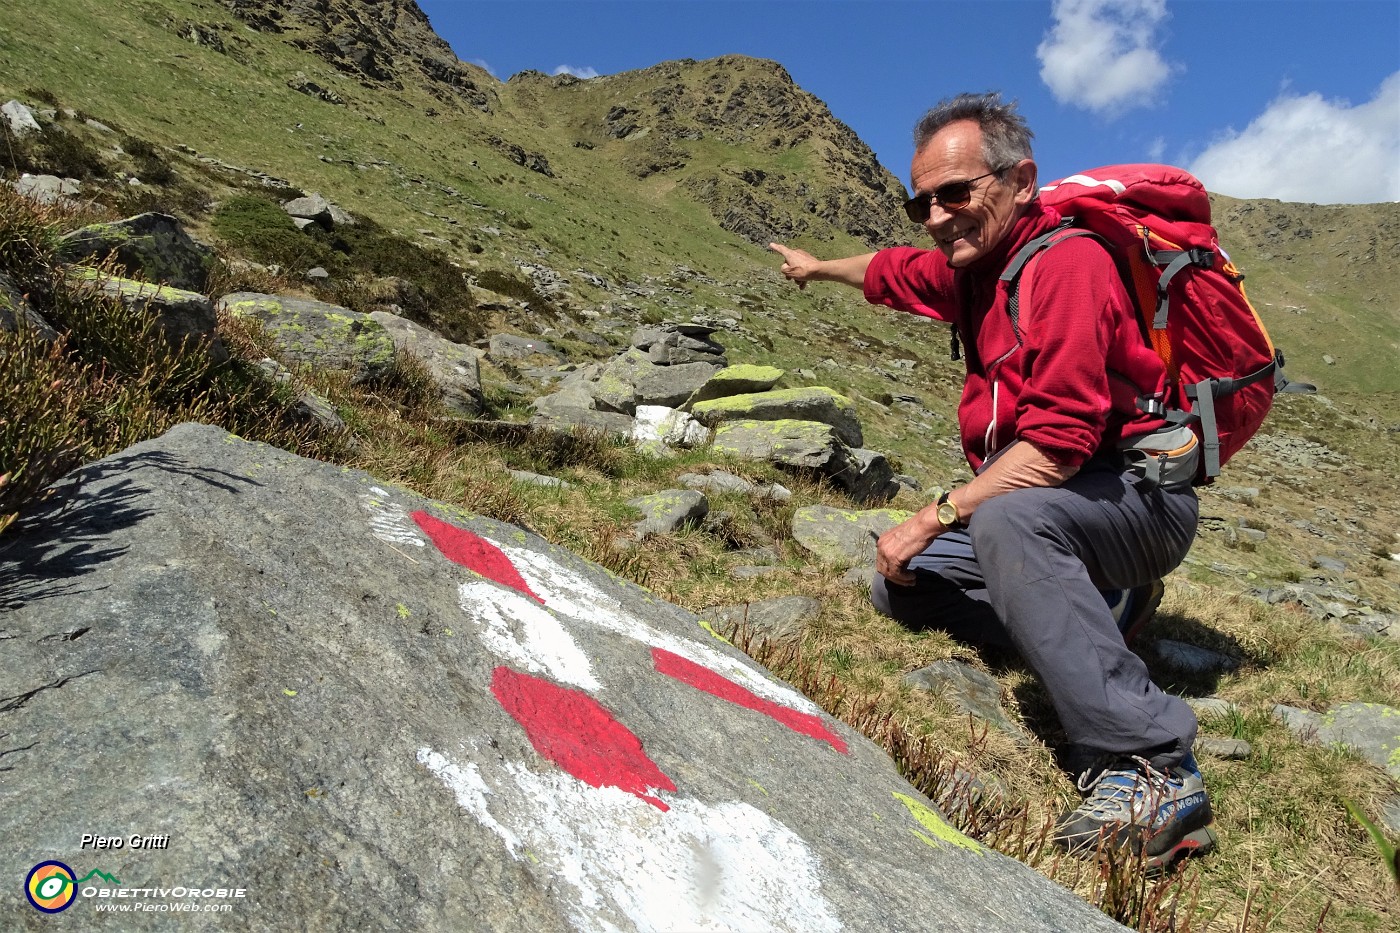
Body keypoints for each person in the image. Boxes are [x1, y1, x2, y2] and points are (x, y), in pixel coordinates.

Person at [769, 92, 1215, 870]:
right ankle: (1101, 610)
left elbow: (1059, 444)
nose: (938, 216)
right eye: (923, 203)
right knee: (901, 583)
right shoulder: (974, 272)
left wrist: (937, 510)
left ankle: (1152, 766)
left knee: (1004, 524)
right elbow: (886, 271)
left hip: (1138, 498)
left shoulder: (1068, 264)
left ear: (1020, 180)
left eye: (956, 192)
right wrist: (816, 268)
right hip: (1063, 501)